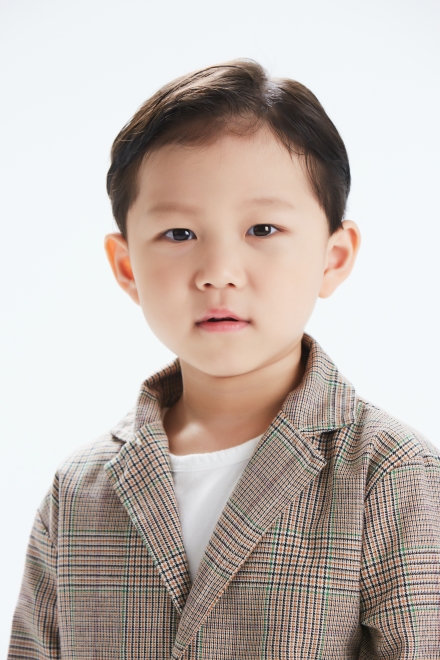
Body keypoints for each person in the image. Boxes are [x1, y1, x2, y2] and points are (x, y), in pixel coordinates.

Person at [8, 59, 440, 659]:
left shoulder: (388, 474)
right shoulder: (79, 490)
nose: (218, 273)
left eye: (262, 229)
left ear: (334, 257)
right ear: (127, 267)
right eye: (179, 234)